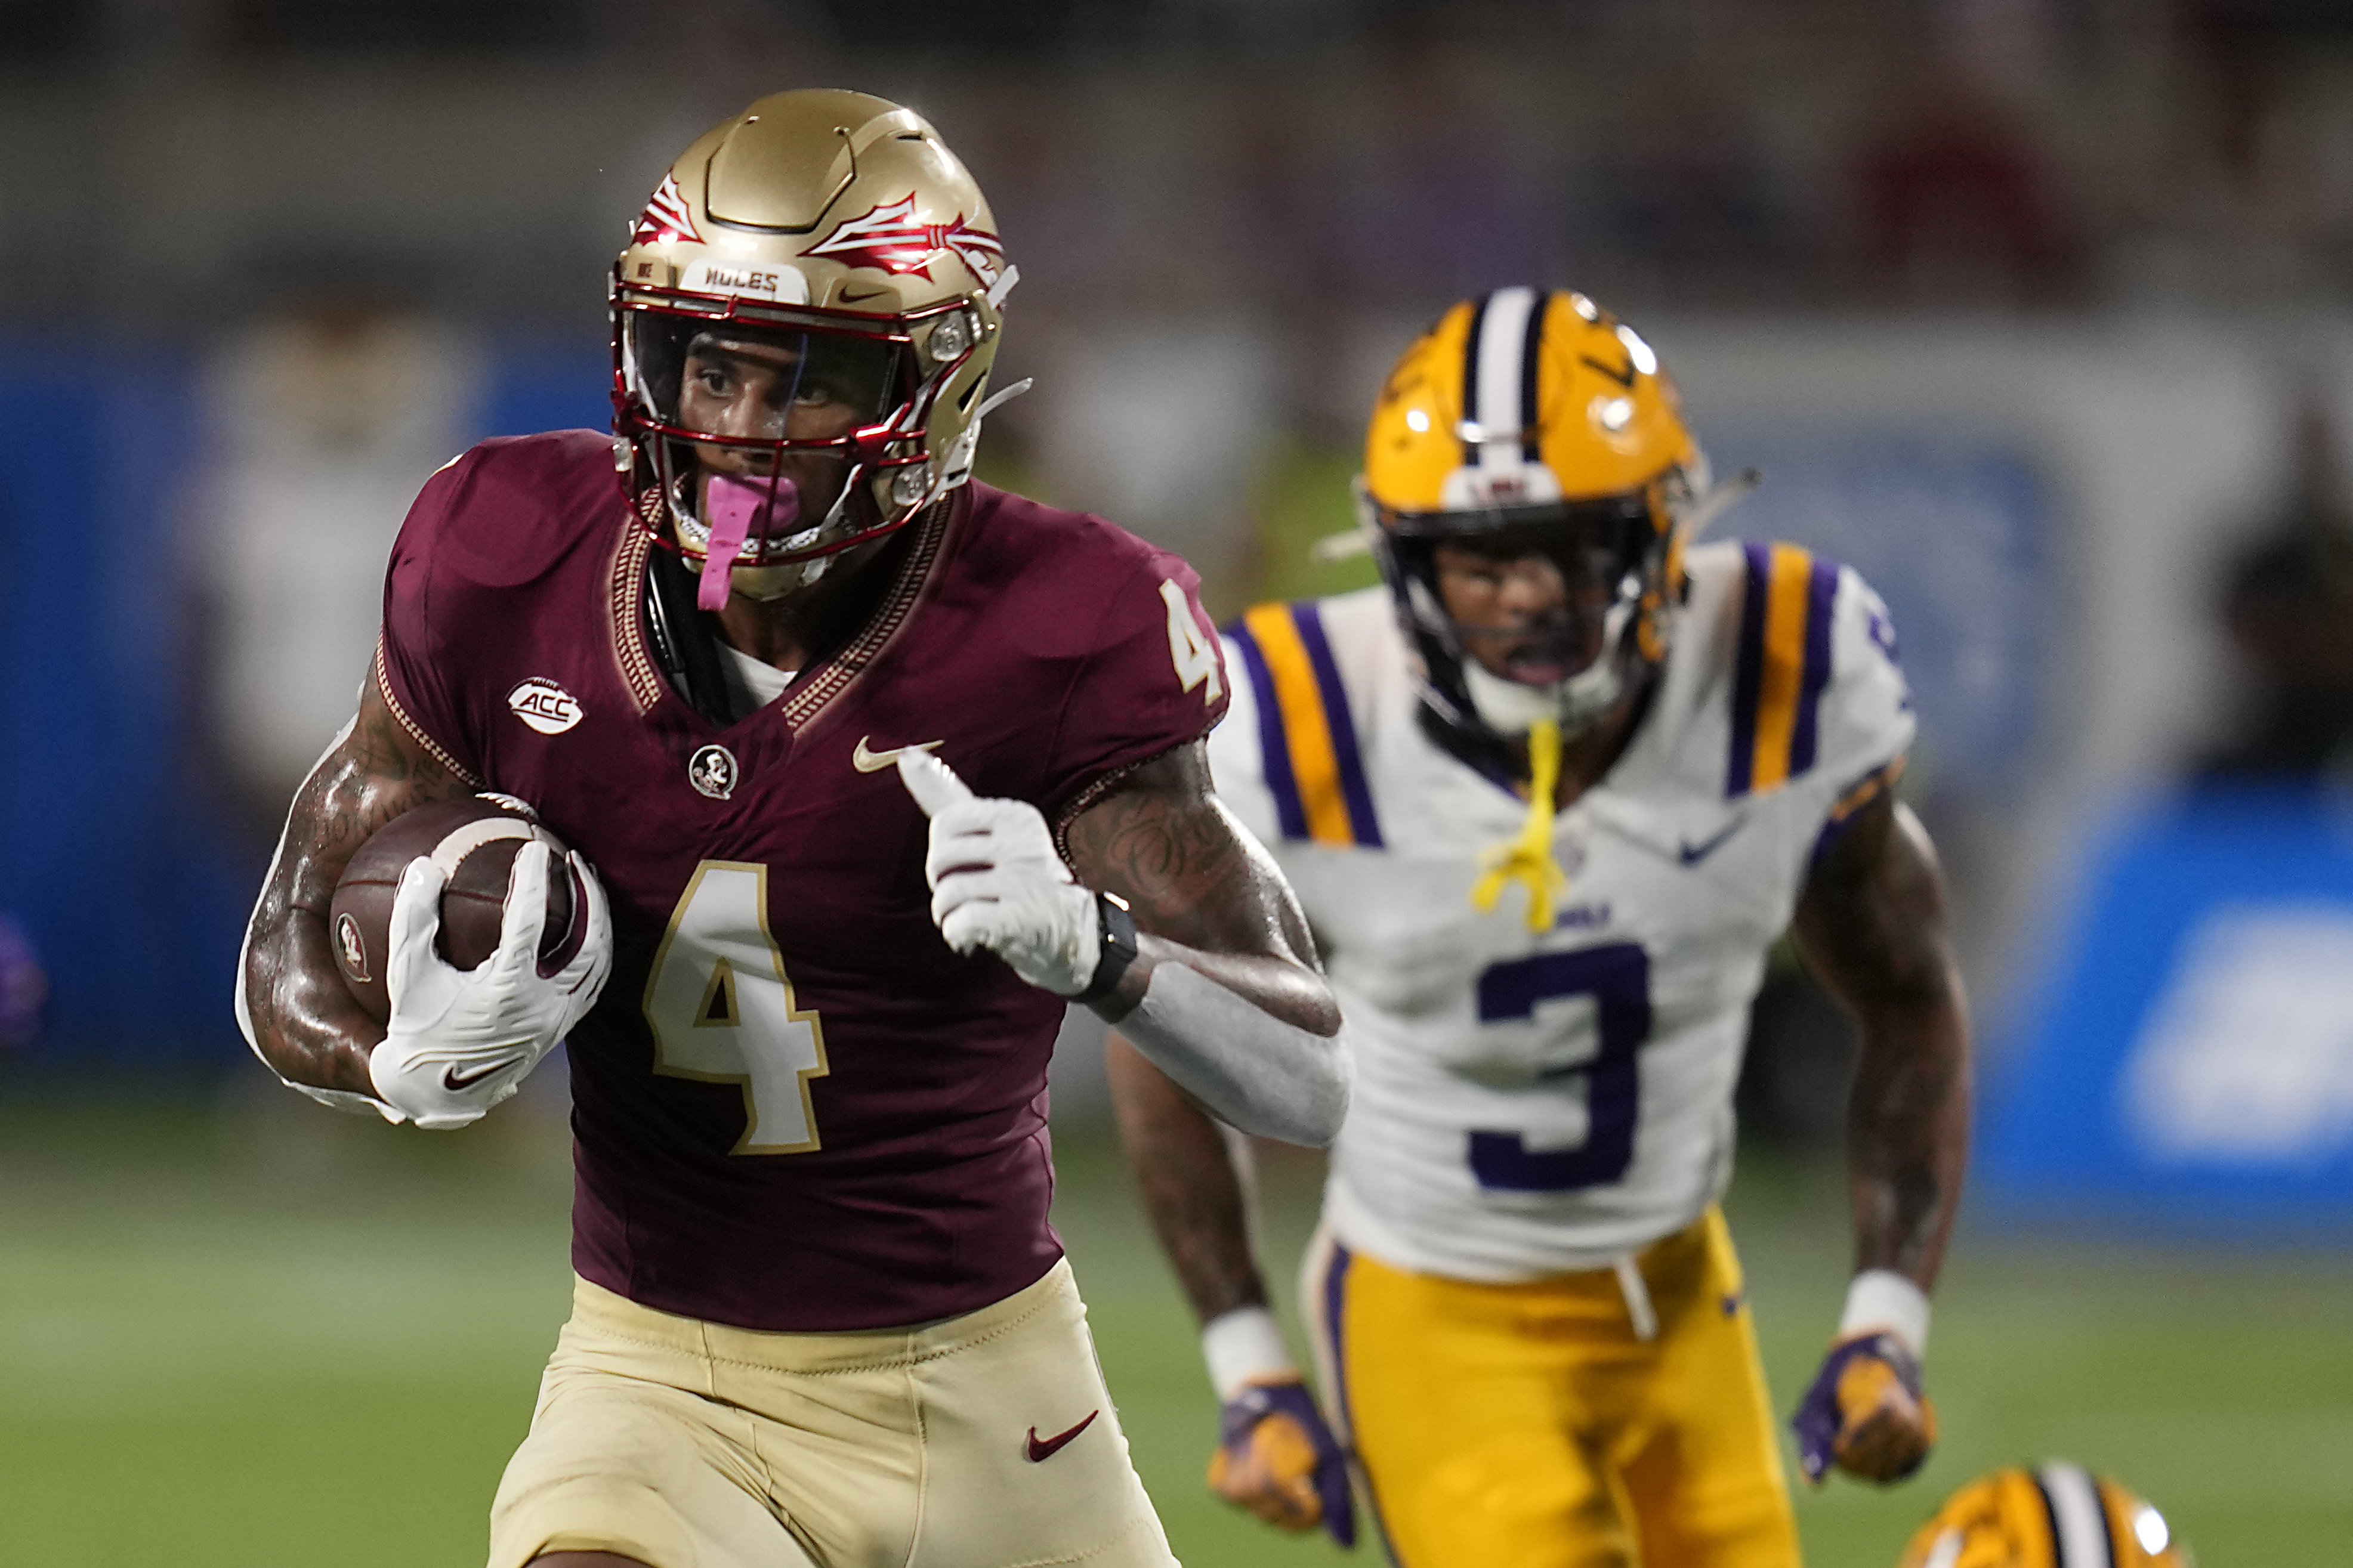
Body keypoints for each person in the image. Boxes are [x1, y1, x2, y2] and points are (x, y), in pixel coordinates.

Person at [237, 89, 1350, 1568]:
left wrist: (1099, 949)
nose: (739, 430)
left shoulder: (1062, 621)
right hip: (660, 1387)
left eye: (808, 380)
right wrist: (389, 1060)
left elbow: (1315, 1076)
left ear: (936, 382)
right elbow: (292, 930)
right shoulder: (503, 552)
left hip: (996, 1401)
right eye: (708, 363)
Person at [1107, 286, 1972, 1564]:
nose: (1528, 596)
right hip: (1432, 1310)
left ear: (1659, 535)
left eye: (1572, 546)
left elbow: (1909, 996)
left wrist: (1885, 1317)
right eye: (1481, 555)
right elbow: (1160, 1033)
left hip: (1680, 1293)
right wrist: (1249, 1364)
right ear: (1404, 559)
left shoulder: (1787, 674)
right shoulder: (1293, 721)